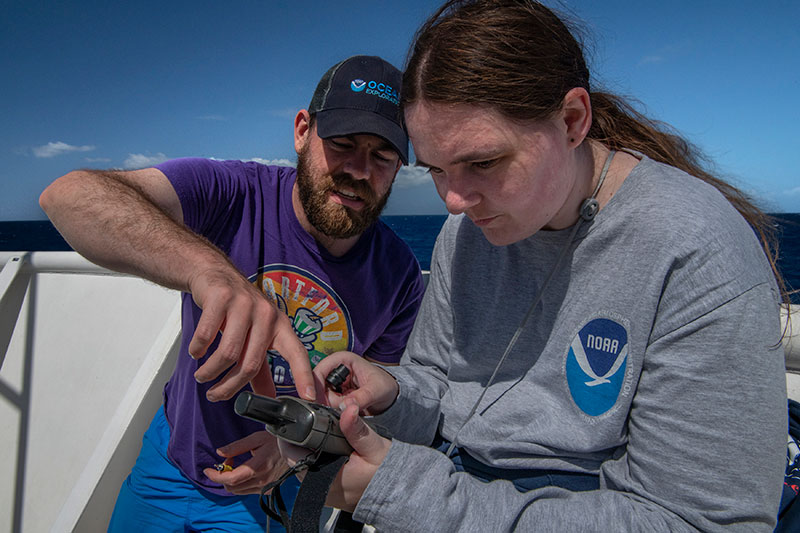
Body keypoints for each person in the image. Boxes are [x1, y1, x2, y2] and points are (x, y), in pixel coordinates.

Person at [295, 2, 790, 531]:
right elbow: (441, 383)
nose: (454, 200)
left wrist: (404, 492)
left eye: (483, 162)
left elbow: (693, 521)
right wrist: (395, 395)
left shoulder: (694, 248)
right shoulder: (465, 234)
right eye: (436, 169)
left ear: (573, 121)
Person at [39, 55, 424, 532]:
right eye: (342, 143)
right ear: (303, 130)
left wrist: (295, 456)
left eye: (383, 156)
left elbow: (376, 404)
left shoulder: (402, 276)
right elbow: (70, 195)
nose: (360, 170)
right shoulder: (233, 193)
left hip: (276, 488)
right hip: (170, 457)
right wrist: (209, 269)